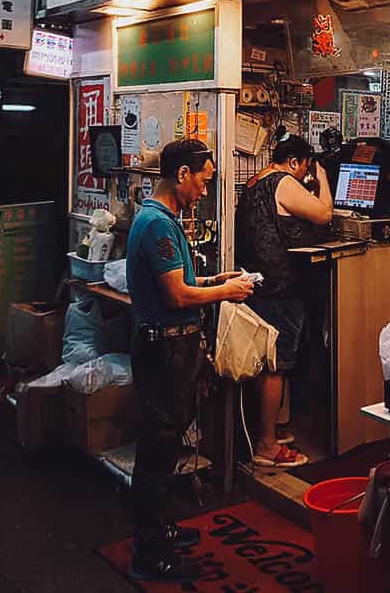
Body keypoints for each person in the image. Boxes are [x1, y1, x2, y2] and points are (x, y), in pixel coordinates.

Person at [126, 139, 254, 583]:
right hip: (164, 350)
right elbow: (177, 295)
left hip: (170, 346)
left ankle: (158, 529)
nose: (204, 189)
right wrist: (227, 292)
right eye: (203, 180)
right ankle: (148, 551)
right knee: (158, 451)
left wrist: (215, 279)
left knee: (164, 443)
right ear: (181, 174)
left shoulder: (160, 220)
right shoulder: (157, 224)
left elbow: (181, 280)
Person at [235, 135, 333, 469]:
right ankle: (266, 445)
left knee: (268, 362)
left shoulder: (255, 180)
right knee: (276, 366)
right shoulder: (283, 183)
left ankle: (269, 432)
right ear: (294, 162)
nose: (304, 175)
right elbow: (324, 214)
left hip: (259, 283)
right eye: (304, 167)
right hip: (281, 286)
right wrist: (322, 179)